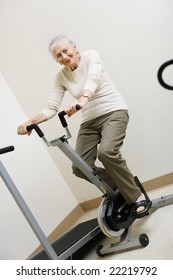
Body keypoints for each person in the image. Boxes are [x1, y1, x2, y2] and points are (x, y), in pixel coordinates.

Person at [17, 35, 150, 216]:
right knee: (80, 167)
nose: (64, 57)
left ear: (74, 47)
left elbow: (93, 79)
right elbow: (51, 107)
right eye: (58, 56)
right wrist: (29, 122)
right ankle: (123, 189)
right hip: (89, 121)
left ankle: (136, 196)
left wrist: (82, 100)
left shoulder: (91, 56)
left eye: (65, 51)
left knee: (107, 152)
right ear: (55, 60)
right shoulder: (61, 77)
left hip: (113, 110)